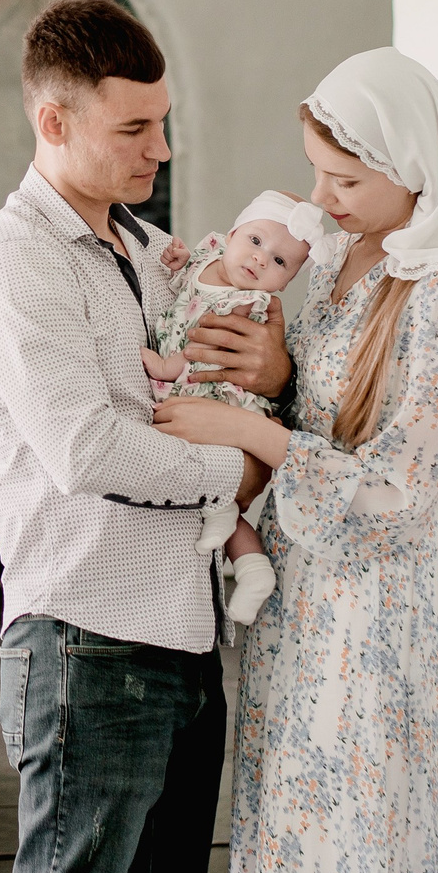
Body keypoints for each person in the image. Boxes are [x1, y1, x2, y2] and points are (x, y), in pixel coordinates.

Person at [150, 47, 438, 873]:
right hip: (302, 606)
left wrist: (245, 428)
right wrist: (273, 379)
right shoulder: (342, 258)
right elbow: (328, 406)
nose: (323, 196)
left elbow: (401, 486)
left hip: (380, 615)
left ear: (415, 168)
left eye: (345, 177)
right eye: (316, 171)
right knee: (294, 833)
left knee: (365, 834)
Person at [0, 0, 291, 873]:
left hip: (183, 643)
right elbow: (87, 450)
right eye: (133, 127)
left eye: (164, 121)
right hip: (86, 644)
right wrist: (242, 464)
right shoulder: (16, 264)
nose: (161, 147)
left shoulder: (146, 251)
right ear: (52, 121)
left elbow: (207, 385)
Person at [139, 190, 330, 627]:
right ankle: (253, 568)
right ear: (231, 235)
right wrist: (179, 262)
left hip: (219, 397)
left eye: (281, 262)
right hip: (199, 398)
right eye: (257, 242)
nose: (262, 260)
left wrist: (169, 365)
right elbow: (183, 282)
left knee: (210, 481)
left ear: (284, 284)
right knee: (215, 495)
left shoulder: (249, 305)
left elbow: (209, 345)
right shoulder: (209, 254)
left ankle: (239, 548)